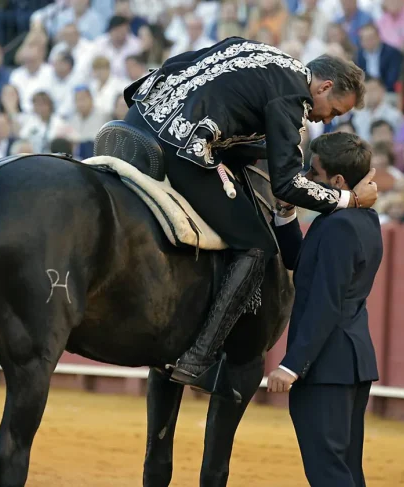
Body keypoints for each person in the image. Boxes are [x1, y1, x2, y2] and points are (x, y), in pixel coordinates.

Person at [121, 37, 378, 391]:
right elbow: (286, 186)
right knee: (258, 244)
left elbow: (181, 63)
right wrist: (349, 198)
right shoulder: (293, 99)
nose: (326, 120)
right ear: (325, 86)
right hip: (178, 146)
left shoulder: (261, 51)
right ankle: (198, 356)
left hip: (138, 117)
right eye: (333, 111)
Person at [265, 132, 382, 487]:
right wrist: (285, 214)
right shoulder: (361, 220)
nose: (306, 181)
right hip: (348, 362)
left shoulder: (338, 225)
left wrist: (291, 365)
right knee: (345, 469)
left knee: (328, 472)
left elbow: (325, 302)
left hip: (327, 367)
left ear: (337, 182)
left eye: (313, 174)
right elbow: (302, 263)